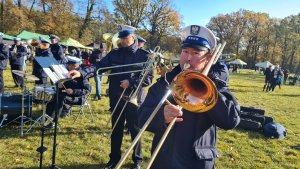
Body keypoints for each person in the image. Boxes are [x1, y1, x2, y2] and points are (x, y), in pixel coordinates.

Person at [138, 25, 240, 169]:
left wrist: (209, 93)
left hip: (198, 162)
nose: (188, 57)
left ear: (208, 58)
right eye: (185, 51)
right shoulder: (166, 81)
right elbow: (141, 117)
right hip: (165, 159)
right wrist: (163, 116)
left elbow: (231, 121)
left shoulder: (216, 85)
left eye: (196, 53)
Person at [68, 24, 154, 169]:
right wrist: (81, 73)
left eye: (125, 38)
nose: (122, 40)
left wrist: (131, 82)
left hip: (134, 99)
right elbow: (98, 66)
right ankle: (114, 159)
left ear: (133, 37)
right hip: (116, 97)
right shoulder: (114, 53)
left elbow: (149, 78)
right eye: (120, 38)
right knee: (116, 130)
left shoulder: (144, 55)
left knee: (135, 130)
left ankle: (137, 160)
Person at [45, 56, 91, 128]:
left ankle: (54, 122)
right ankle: (48, 117)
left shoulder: (82, 75)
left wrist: (73, 91)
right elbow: (64, 85)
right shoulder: (66, 72)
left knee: (60, 97)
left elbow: (86, 90)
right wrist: (59, 85)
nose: (67, 67)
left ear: (75, 66)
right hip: (66, 94)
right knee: (55, 96)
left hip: (78, 98)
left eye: (69, 65)